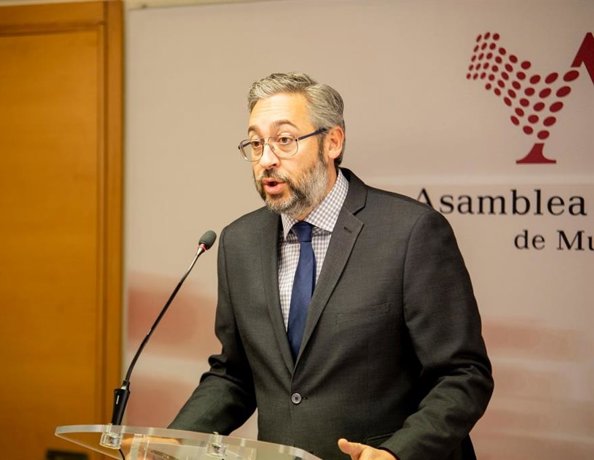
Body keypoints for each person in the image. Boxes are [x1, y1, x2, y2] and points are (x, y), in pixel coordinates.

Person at [169, 72, 493, 460]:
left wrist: (397, 454)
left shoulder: (410, 232)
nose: (266, 160)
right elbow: (235, 375)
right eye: (256, 143)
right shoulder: (239, 242)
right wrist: (171, 444)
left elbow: (462, 375)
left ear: (332, 142)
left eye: (284, 140)